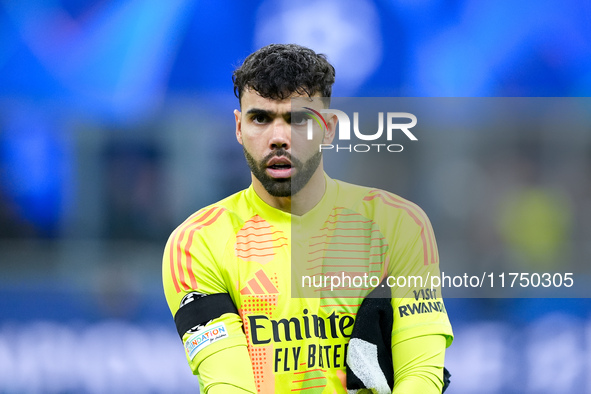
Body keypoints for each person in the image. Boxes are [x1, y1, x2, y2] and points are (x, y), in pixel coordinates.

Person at [162, 43, 453, 393]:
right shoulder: (197, 243)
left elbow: (421, 375)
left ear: (329, 128)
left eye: (299, 119)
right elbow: (229, 386)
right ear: (239, 127)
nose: (279, 138)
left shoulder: (398, 225)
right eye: (260, 118)